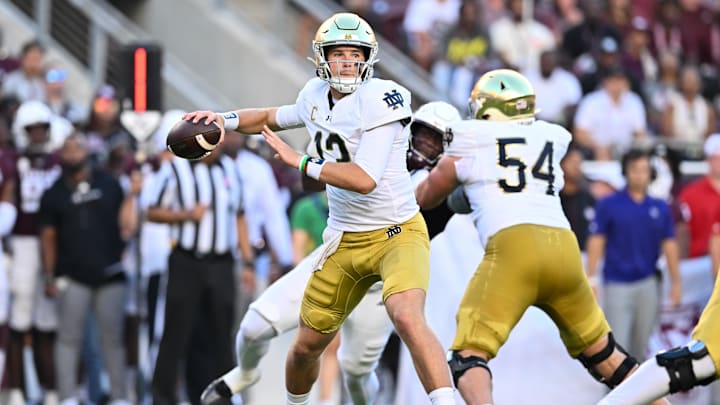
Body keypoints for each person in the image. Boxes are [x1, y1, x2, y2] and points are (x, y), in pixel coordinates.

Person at [186, 14, 456, 404]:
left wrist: (299, 161)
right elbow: (266, 118)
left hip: (396, 235)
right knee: (301, 347)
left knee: (399, 326)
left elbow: (365, 178)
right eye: (338, 53)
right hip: (343, 241)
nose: (347, 61)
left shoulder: (383, 98)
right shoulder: (314, 95)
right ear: (322, 57)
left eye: (355, 53)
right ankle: (255, 379)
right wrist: (222, 120)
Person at [414, 69, 669, 405]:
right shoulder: (548, 138)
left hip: (513, 248)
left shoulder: (470, 141)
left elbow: (425, 197)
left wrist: (441, 187)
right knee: (607, 356)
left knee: (468, 355)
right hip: (563, 247)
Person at [146, 141, 255, 405]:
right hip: (186, 261)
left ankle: (218, 399)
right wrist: (185, 216)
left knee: (220, 333)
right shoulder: (175, 169)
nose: (214, 147)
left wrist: (248, 261)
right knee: (176, 331)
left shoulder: (230, 168)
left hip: (222, 262)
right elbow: (151, 211)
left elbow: (239, 216)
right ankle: (163, 398)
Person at [38, 133, 139, 404]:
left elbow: (127, 225)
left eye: (78, 149)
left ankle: (119, 396)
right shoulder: (53, 193)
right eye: (67, 150)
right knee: (69, 338)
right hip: (73, 275)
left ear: (87, 152)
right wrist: (50, 274)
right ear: (60, 155)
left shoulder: (109, 183)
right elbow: (47, 238)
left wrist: (134, 195)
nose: (73, 155)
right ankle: (68, 396)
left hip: (111, 272)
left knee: (112, 339)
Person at [586, 149, 682, 361]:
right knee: (617, 349)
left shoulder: (659, 206)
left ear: (651, 174)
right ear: (626, 172)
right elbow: (596, 241)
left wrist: (676, 282)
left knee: (641, 347)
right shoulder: (609, 204)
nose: (639, 175)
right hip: (617, 283)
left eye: (644, 170)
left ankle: (637, 394)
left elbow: (670, 244)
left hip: (648, 283)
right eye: (635, 170)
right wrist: (591, 277)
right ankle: (617, 393)